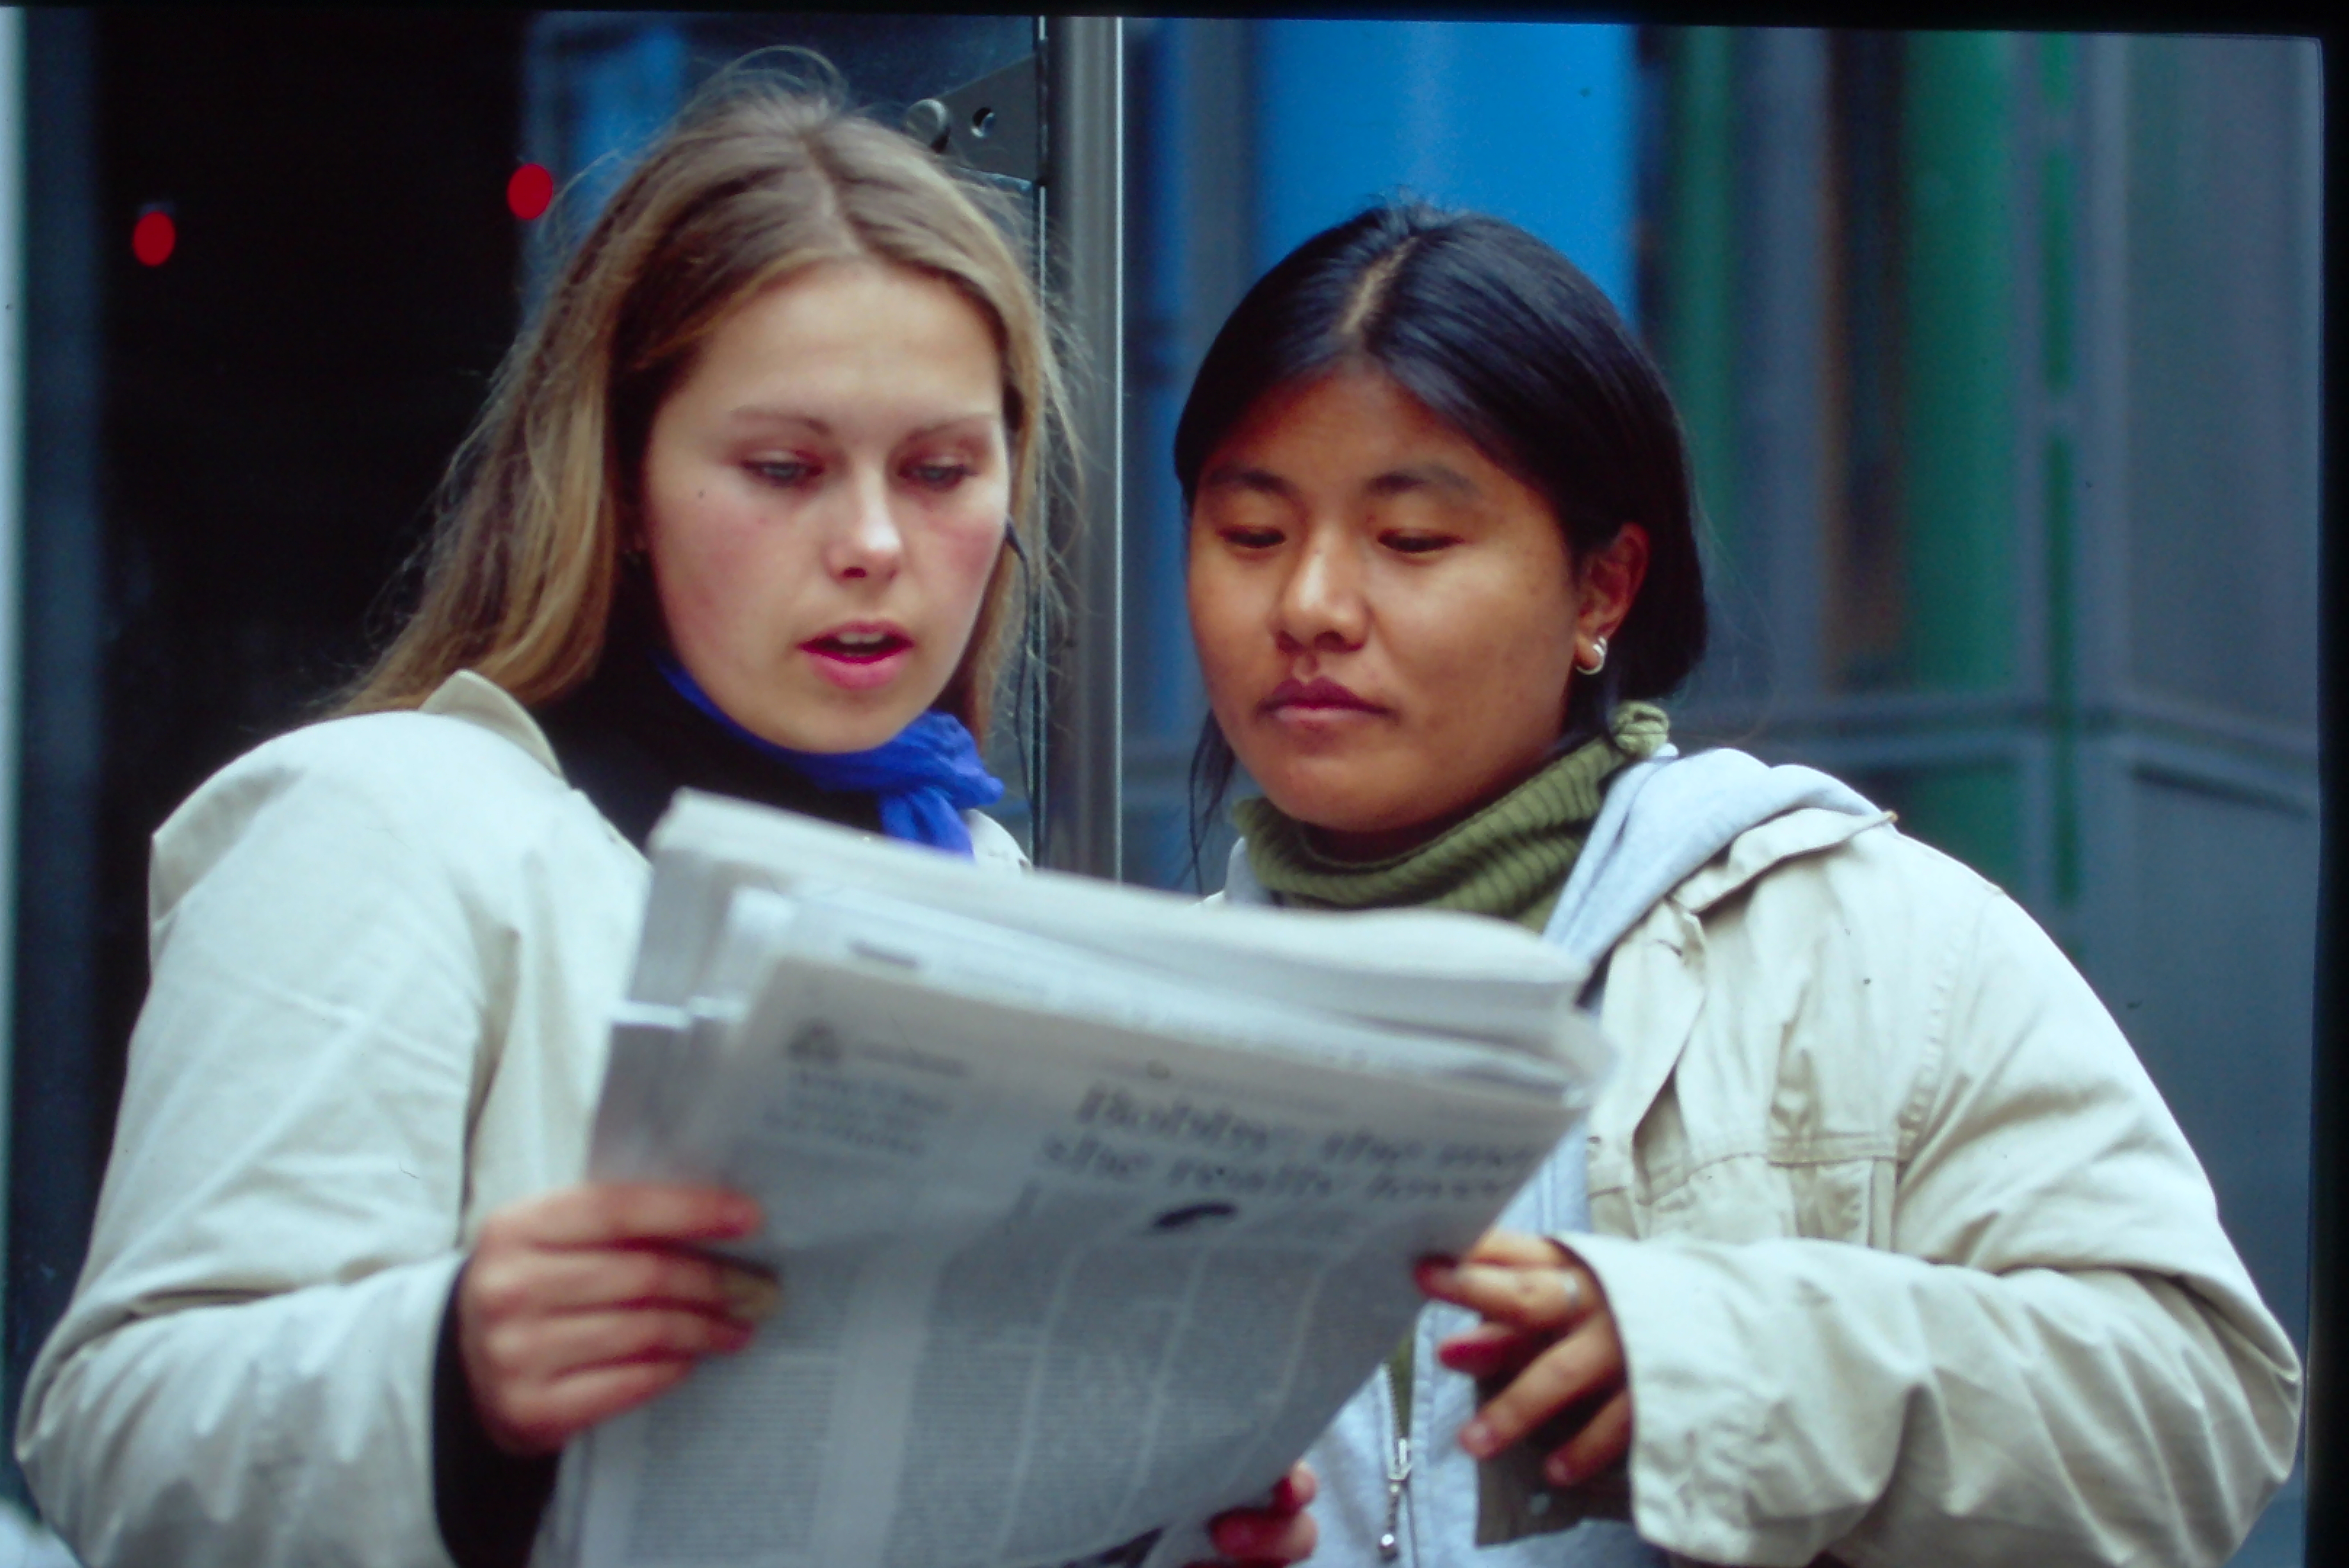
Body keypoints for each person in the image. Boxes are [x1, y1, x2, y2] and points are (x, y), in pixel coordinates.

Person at [16, 68, 1310, 1568]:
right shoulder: (385, 823)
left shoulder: (991, 880)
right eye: (785, 469)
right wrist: (452, 1371)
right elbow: (117, 1433)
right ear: (624, 484)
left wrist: (1158, 1512)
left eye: (942, 471)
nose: (875, 542)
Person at [1177, 201, 2303, 1567]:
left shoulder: (1863, 942)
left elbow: (2198, 1413)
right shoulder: (1132, 1022)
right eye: (1251, 533)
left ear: (1603, 589)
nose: (1310, 605)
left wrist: (1728, 1366)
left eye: (1411, 540)